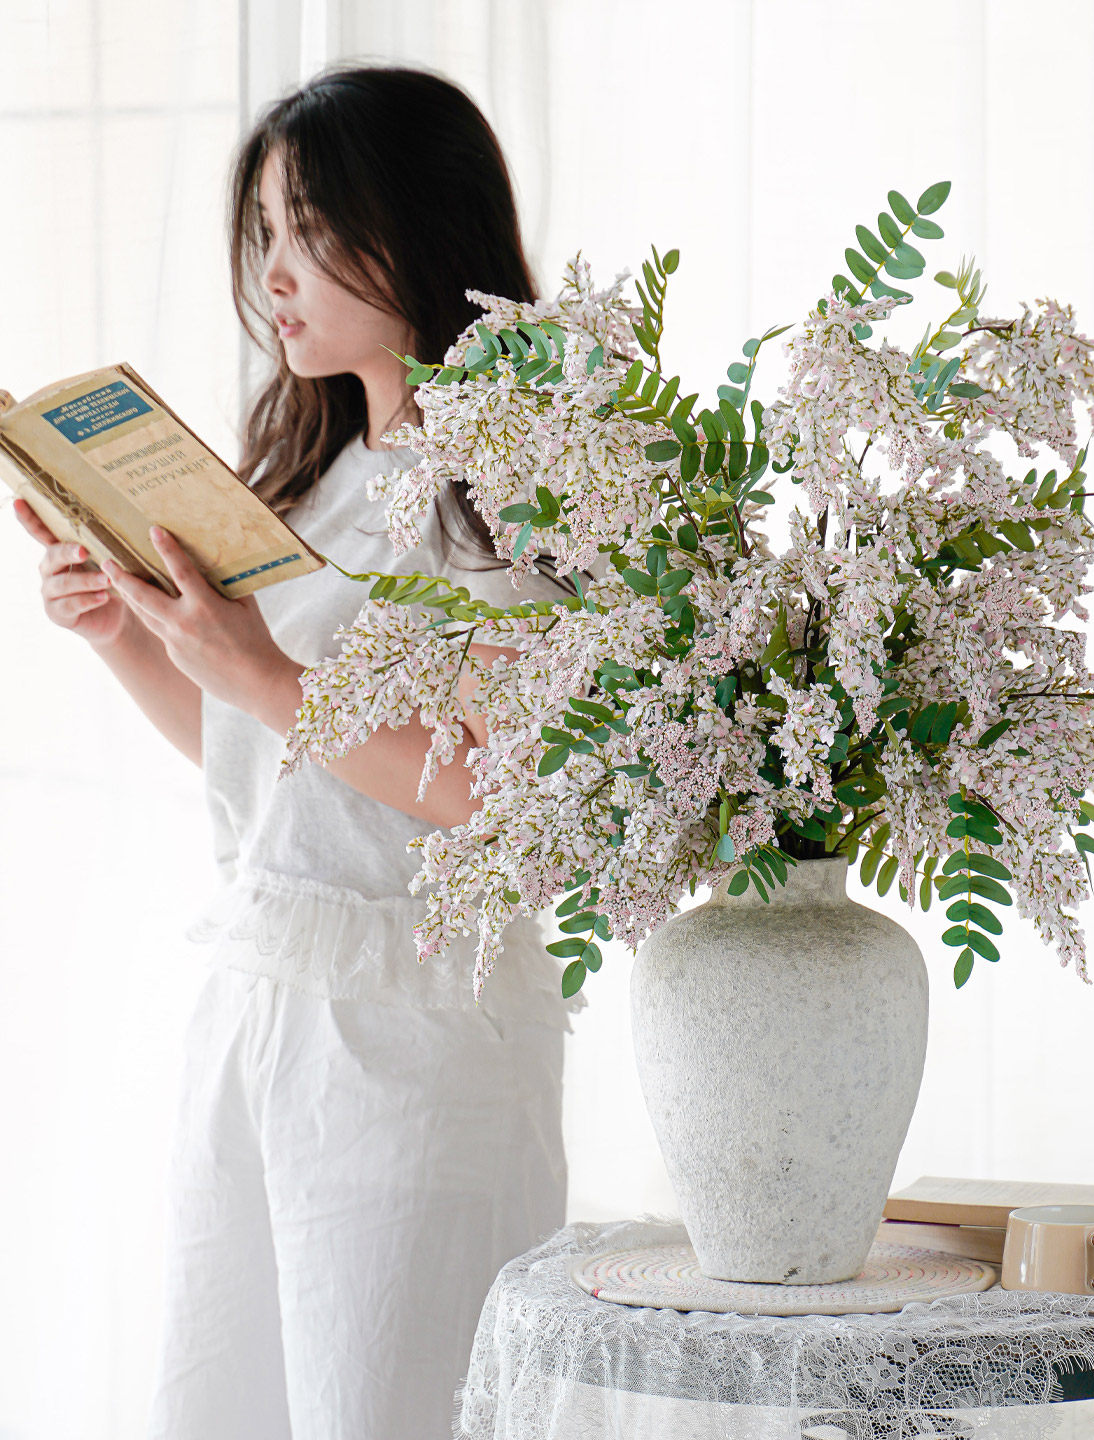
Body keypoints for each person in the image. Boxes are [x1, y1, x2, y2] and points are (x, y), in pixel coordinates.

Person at [12, 63, 577, 1440]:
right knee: (231, 1397)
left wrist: (265, 674)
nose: (278, 269)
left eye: (313, 224)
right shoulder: (317, 478)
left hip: (417, 1023)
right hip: (261, 1005)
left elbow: (495, 797)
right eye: (263, 231)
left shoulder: (518, 478)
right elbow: (262, 762)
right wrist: (133, 637)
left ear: (422, 224)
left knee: (379, 1403)